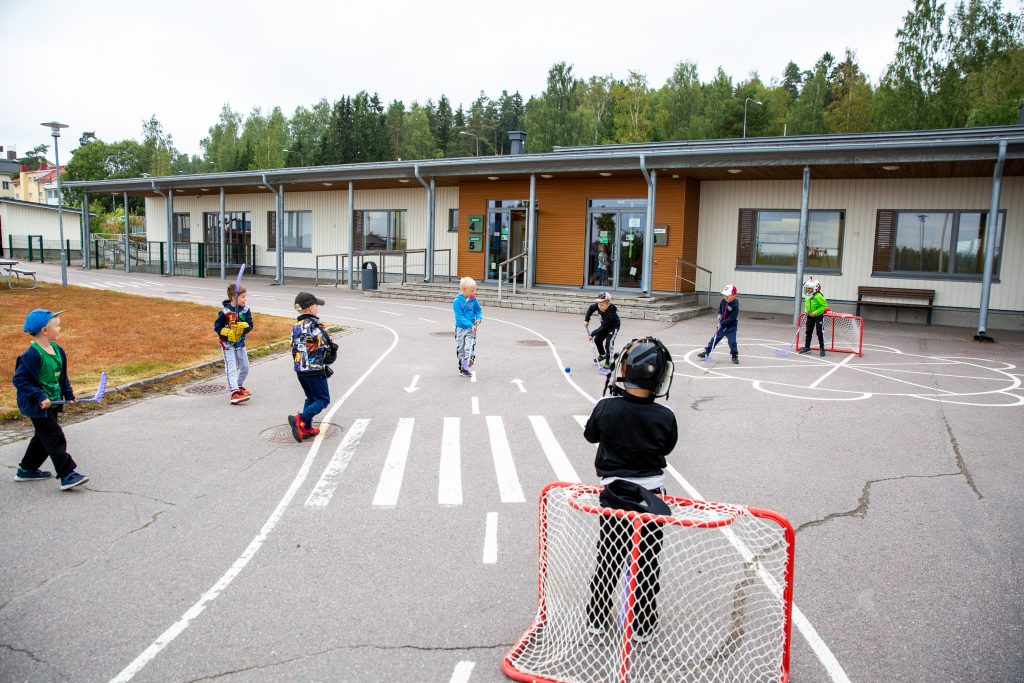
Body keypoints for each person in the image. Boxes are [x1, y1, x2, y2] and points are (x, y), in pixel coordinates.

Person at [584, 337, 678, 642]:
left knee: (609, 557)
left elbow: (590, 436)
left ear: (625, 370)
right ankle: (642, 622)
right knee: (647, 561)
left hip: (614, 495)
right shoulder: (665, 416)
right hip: (652, 498)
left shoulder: (606, 407)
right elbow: (667, 447)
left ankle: (597, 616)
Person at [11, 308, 89, 490]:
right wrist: (39, 395)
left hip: (52, 403)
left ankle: (26, 469)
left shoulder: (57, 350)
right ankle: (67, 474)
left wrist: (69, 395)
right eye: (57, 326)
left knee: (42, 438)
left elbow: (62, 377)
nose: (60, 328)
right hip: (38, 406)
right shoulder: (31, 355)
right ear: (44, 331)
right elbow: (19, 380)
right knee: (54, 437)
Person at [288, 292, 337, 443]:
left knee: (310, 398)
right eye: (316, 305)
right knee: (323, 400)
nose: (317, 308)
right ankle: (300, 420)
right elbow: (325, 344)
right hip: (315, 369)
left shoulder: (296, 327)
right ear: (310, 309)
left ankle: (307, 428)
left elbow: (295, 346)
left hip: (300, 369)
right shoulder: (315, 326)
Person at [214, 283, 255, 405]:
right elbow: (217, 327)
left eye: (245, 297)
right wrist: (225, 333)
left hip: (240, 343)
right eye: (242, 297)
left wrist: (243, 328)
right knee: (231, 367)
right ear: (233, 298)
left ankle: (238, 385)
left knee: (245, 366)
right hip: (227, 344)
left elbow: (250, 324)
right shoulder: (225, 312)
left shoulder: (246, 310)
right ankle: (234, 392)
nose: (245, 299)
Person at [697, 284, 740, 364]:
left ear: (734, 295)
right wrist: (719, 314)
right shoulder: (723, 301)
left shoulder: (735, 306)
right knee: (714, 339)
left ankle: (734, 356)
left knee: (732, 342)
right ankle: (707, 352)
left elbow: (731, 319)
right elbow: (720, 308)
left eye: (728, 295)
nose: (726, 297)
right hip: (722, 325)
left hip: (731, 327)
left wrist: (721, 324)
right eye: (725, 295)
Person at [584, 292, 621, 373]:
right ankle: (603, 355)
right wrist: (586, 319)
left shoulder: (611, 313)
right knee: (597, 340)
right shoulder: (599, 305)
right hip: (604, 326)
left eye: (602, 305)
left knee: (609, 343)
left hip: (613, 327)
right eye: (599, 304)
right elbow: (591, 308)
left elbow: (604, 326)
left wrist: (592, 334)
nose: (600, 307)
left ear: (608, 304)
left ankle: (609, 362)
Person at [453, 276, 483, 377]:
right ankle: (462, 367)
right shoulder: (457, 301)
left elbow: (478, 310)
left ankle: (469, 361)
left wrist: (479, 318)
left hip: (471, 329)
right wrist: (470, 324)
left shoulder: (474, 299)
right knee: (461, 349)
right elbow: (459, 317)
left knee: (469, 346)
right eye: (471, 290)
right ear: (464, 290)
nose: (473, 293)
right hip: (461, 328)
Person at [800, 277, 829, 356]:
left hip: (818, 316)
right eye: (806, 289)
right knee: (808, 331)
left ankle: (822, 348)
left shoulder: (818, 296)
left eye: (809, 289)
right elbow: (807, 304)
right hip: (810, 315)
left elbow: (824, 306)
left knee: (819, 332)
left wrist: (816, 312)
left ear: (815, 289)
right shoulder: (807, 296)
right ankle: (807, 347)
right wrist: (806, 309)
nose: (807, 291)